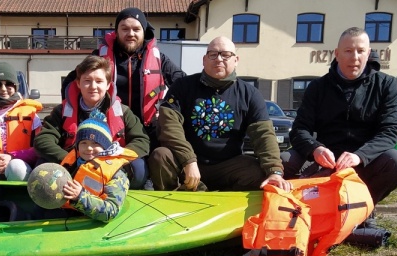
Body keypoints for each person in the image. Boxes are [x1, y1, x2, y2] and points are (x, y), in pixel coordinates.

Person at [282, 27, 397, 206]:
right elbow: (299, 130)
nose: (355, 57)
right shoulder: (317, 87)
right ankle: (306, 204)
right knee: (284, 161)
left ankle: (363, 206)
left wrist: (360, 156)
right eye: (348, 51)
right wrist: (315, 149)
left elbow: (389, 131)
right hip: (326, 159)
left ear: (368, 53)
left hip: (366, 160)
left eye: (360, 51)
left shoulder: (387, 85)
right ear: (337, 54)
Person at [148, 36, 286, 192]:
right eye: (213, 54)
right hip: (188, 164)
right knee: (161, 156)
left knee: (256, 171)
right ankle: (173, 202)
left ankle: (224, 203)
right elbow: (169, 127)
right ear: (204, 59)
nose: (219, 59)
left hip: (228, 166)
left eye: (226, 54)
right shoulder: (182, 86)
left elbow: (264, 135)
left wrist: (274, 171)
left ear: (236, 60)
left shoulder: (250, 94)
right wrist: (188, 160)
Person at [63, 7, 185, 149]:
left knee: (144, 167)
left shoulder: (159, 59)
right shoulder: (100, 57)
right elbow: (71, 83)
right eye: (125, 29)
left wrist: (166, 106)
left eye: (136, 29)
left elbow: (182, 84)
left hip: (149, 129)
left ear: (144, 32)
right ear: (117, 31)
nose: (130, 34)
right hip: (109, 129)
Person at [35, 55, 150, 189]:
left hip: (109, 168)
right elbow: (42, 140)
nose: (93, 86)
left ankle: (118, 196)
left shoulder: (123, 111)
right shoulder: (61, 111)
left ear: (108, 85)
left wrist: (113, 160)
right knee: (41, 164)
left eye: (99, 81)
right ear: (78, 83)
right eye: (87, 80)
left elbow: (142, 141)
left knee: (139, 168)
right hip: (72, 167)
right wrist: (70, 159)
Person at [58, 112, 137, 222]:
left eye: (95, 143)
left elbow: (111, 211)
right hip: (62, 212)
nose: (89, 148)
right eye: (83, 143)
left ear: (105, 146)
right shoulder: (73, 161)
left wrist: (80, 197)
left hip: (88, 221)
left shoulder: (117, 175)